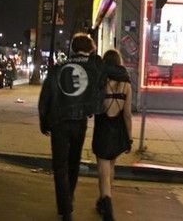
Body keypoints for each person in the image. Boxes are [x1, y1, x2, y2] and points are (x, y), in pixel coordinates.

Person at [38, 32, 104, 221]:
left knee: (59, 166)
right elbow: (100, 93)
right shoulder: (94, 68)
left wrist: (44, 121)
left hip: (59, 121)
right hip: (79, 122)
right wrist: (92, 110)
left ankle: (65, 209)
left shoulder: (59, 68)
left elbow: (45, 97)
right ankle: (69, 196)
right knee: (74, 162)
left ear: (73, 48)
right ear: (90, 48)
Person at [92, 49, 133, 221]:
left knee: (103, 169)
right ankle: (104, 200)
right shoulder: (127, 84)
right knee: (111, 167)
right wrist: (129, 137)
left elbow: (94, 105)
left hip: (102, 126)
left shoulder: (101, 80)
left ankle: (107, 206)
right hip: (118, 129)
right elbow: (128, 114)